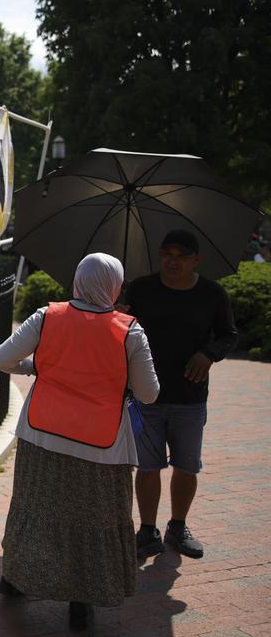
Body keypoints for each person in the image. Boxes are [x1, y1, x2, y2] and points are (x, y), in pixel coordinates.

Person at [0, 253, 159, 629]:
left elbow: (2, 359)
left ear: (78, 279)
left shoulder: (46, 317)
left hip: (42, 436)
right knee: (91, 519)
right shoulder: (129, 331)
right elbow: (149, 394)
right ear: (115, 287)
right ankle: (81, 600)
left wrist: (35, 365)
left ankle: (15, 579)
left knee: (36, 510)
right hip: (100, 446)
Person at [125, 230, 238, 560]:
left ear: (195, 260)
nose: (172, 261)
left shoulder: (212, 294)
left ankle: (178, 525)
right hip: (146, 395)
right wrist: (117, 314)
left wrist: (209, 353)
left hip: (190, 396)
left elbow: (228, 335)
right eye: (166, 254)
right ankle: (147, 530)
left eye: (181, 255)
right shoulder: (141, 288)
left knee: (187, 466)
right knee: (148, 466)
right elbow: (122, 327)